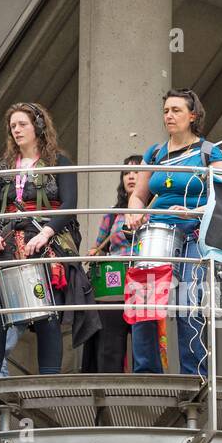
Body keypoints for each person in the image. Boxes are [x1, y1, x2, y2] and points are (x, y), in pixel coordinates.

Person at [0, 102, 98, 377]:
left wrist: (46, 233)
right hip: (7, 242)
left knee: (47, 316)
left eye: (22, 124)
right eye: (13, 127)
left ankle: (48, 381)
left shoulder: (59, 161)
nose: (17, 130)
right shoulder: (2, 166)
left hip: (46, 241)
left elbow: (69, 205)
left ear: (39, 127)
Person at [126, 89, 222, 376]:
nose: (169, 116)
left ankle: (193, 374)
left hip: (194, 232)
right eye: (166, 111)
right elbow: (138, 195)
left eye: (176, 110)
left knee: (189, 303)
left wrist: (196, 213)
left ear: (192, 115)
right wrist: (134, 210)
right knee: (143, 299)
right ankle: (146, 371)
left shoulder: (210, 152)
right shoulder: (156, 152)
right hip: (157, 228)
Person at [81, 155, 144, 373]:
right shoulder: (113, 212)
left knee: (143, 338)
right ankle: (110, 387)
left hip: (144, 277)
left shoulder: (154, 209)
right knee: (111, 341)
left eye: (136, 172)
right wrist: (93, 252)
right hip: (115, 281)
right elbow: (98, 247)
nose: (131, 177)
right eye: (126, 173)